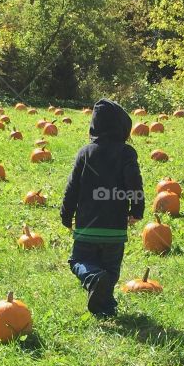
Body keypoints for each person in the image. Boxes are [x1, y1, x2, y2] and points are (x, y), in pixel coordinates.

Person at [60, 99, 145, 317]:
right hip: (115, 229)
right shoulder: (127, 153)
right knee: (110, 270)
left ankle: (93, 279)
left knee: (78, 261)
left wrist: (66, 215)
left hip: (87, 226)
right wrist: (136, 210)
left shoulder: (85, 153)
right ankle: (105, 307)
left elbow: (72, 187)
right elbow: (133, 181)